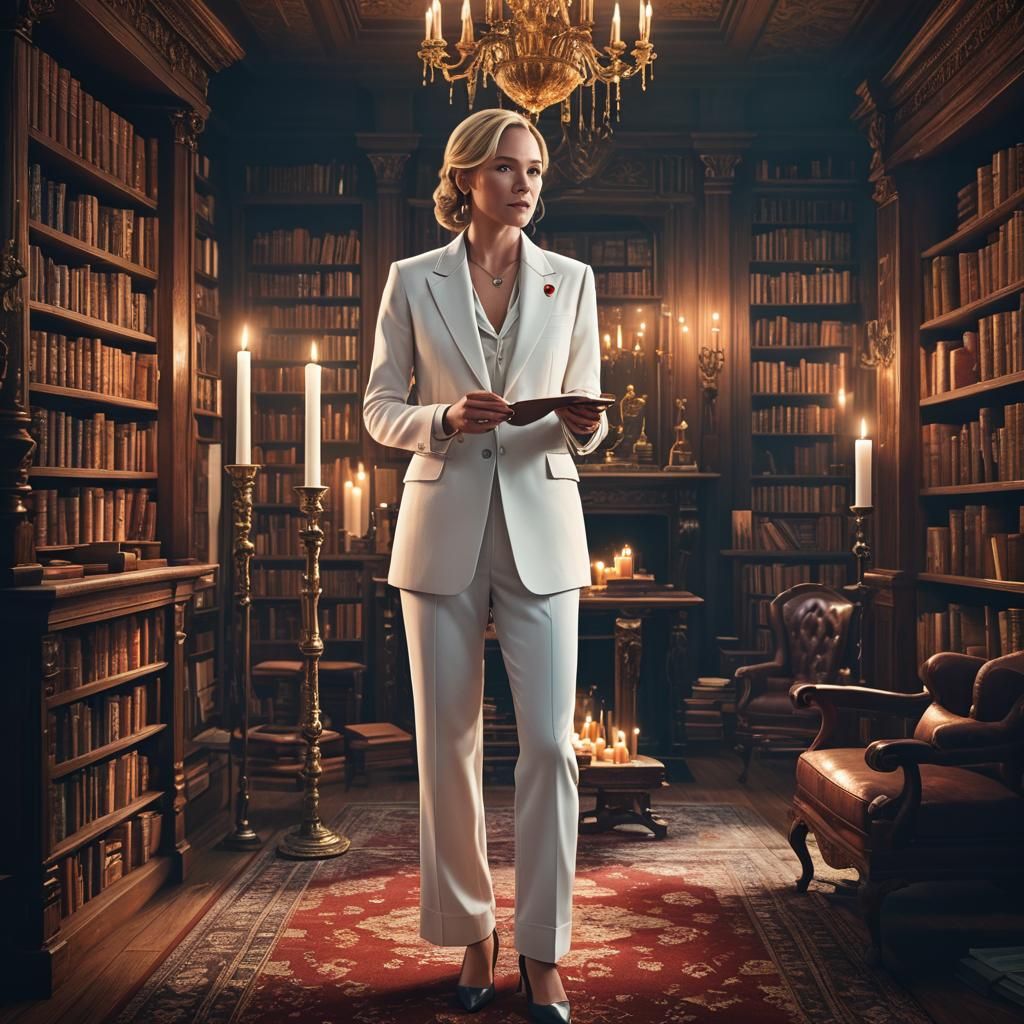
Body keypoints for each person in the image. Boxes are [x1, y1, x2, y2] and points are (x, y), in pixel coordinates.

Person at [363, 107, 607, 1023]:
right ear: (467, 178)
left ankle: (544, 950)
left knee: (549, 743)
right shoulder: (410, 280)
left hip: (543, 524)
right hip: (441, 526)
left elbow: (589, 402)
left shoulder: (572, 280)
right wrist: (440, 421)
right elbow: (380, 406)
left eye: (535, 168)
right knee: (448, 748)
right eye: (508, 168)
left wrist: (591, 421)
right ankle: (474, 932)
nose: (526, 182)